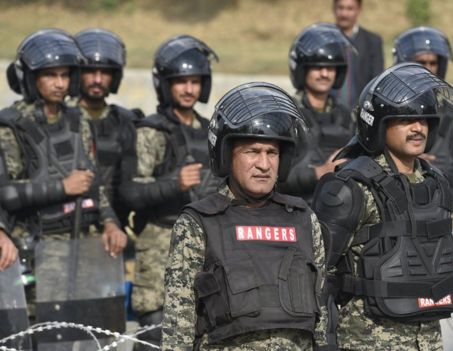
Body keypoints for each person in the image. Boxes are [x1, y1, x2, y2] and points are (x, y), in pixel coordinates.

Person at [161, 82, 328, 350]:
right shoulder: (198, 223)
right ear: (227, 156)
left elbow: (321, 318)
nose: (263, 164)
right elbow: (177, 323)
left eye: (272, 153)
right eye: (252, 151)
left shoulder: (303, 219)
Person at [313, 62, 453, 350]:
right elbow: (317, 278)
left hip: (428, 340)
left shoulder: (438, 185)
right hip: (367, 341)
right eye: (405, 120)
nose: (418, 128)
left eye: (424, 120)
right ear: (378, 124)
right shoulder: (351, 188)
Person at [0, 28, 127, 337]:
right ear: (31, 78)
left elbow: (92, 181)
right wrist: (62, 187)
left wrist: (111, 223)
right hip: (36, 245)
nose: (59, 83)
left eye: (64, 75)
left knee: (82, 335)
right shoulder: (11, 125)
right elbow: (6, 193)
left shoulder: (77, 119)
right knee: (38, 334)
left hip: (83, 244)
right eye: (50, 75)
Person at [119, 34, 221, 348]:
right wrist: (173, 183)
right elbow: (129, 192)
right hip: (160, 247)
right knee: (155, 332)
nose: (188, 89)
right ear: (165, 84)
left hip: (205, 246)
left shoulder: (210, 130)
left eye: (194, 81)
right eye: (180, 81)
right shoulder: (151, 132)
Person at [393, 26, 453, 247]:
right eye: (421, 62)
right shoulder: (388, 107)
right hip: (397, 216)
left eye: (433, 63)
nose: (427, 69)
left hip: (442, 216)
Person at [280, 23, 355, 203]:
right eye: (317, 67)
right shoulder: (286, 114)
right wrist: (317, 173)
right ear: (302, 69)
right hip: (298, 211)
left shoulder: (347, 117)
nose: (324, 74)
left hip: (341, 208)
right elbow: (269, 175)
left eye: (330, 68)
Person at [74, 28, 139, 230]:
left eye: (105, 73)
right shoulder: (63, 121)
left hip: (114, 229)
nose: (97, 79)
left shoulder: (127, 121)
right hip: (69, 228)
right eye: (90, 71)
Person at [332, 0, 383, 108]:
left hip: (360, 111)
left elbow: (377, 82)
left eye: (350, 9)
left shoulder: (372, 42)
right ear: (334, 8)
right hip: (330, 111)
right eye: (340, 8)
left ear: (359, 10)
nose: (344, 14)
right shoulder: (325, 39)